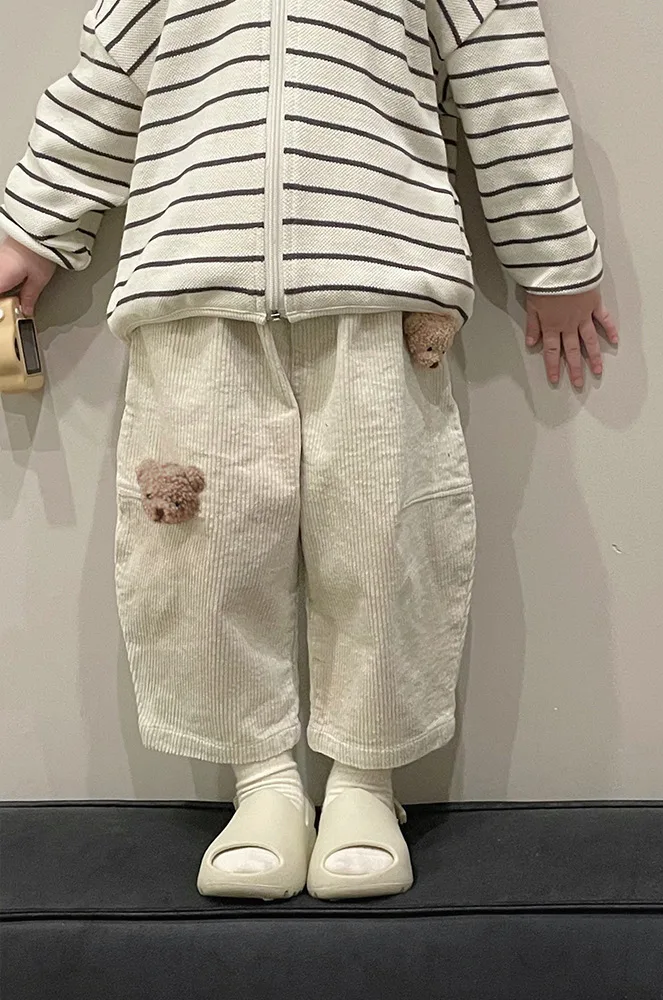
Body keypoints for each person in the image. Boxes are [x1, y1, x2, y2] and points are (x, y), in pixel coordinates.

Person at [0, 0, 618, 900]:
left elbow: (503, 80)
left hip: (382, 286)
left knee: (384, 536)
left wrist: (554, 260)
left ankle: (366, 778)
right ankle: (262, 783)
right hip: (191, 289)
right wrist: (31, 228)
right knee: (200, 550)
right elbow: (105, 83)